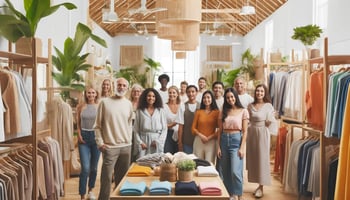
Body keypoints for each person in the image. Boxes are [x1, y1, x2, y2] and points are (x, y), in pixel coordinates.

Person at [94, 77, 134, 200]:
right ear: (114, 86)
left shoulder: (128, 104)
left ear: (127, 88)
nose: (121, 87)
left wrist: (129, 141)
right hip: (110, 147)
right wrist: (100, 143)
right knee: (106, 179)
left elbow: (129, 125)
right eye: (119, 85)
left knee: (122, 180)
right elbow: (97, 125)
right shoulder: (104, 103)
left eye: (123, 85)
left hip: (125, 147)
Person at [246, 84, 277, 198]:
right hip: (252, 134)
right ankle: (257, 185)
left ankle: (261, 187)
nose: (259, 93)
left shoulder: (268, 106)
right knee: (254, 159)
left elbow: (271, 121)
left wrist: (270, 121)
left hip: (263, 133)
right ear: (255, 93)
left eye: (261, 91)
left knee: (262, 159)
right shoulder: (250, 106)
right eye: (258, 91)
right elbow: (247, 120)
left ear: (265, 93)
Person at [217, 88, 249, 200]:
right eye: (227, 97)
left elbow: (245, 132)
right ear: (225, 99)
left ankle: (238, 195)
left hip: (236, 141)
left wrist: (242, 148)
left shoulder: (243, 111)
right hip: (224, 140)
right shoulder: (223, 111)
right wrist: (218, 147)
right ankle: (230, 195)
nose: (230, 99)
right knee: (225, 171)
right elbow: (219, 131)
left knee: (235, 171)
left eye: (232, 96)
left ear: (236, 97)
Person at [76, 86, 100, 200]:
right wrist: (79, 135)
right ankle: (82, 194)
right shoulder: (81, 107)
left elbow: (102, 123)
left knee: (94, 168)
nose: (90, 95)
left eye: (93, 93)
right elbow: (78, 123)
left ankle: (91, 190)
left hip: (96, 138)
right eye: (88, 93)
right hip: (84, 138)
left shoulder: (99, 106)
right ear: (86, 94)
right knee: (85, 168)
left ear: (96, 94)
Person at [134, 88, 167, 158]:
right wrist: (140, 142)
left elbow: (164, 129)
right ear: (145, 97)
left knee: (156, 163)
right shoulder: (140, 111)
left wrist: (158, 142)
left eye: (153, 96)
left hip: (156, 140)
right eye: (149, 96)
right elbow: (136, 129)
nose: (151, 98)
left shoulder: (160, 110)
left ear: (156, 98)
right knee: (142, 164)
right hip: (143, 140)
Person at [192, 90, 219, 164]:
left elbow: (220, 129)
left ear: (212, 99)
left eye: (208, 97)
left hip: (211, 142)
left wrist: (209, 137)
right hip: (199, 141)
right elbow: (193, 128)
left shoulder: (217, 112)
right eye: (204, 98)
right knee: (197, 164)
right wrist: (201, 136)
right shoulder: (198, 112)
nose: (206, 99)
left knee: (209, 164)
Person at [176, 85, 200, 154]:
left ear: (197, 92)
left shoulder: (201, 106)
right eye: (189, 92)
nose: (191, 94)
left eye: (193, 92)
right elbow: (180, 126)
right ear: (186, 93)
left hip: (199, 141)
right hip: (186, 141)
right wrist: (180, 142)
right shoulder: (182, 106)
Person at [163, 86, 181, 154]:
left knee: (178, 157)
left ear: (177, 94)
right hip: (168, 134)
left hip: (180, 134)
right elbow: (162, 125)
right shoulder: (164, 106)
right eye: (170, 93)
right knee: (168, 156)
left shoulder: (181, 105)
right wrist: (173, 124)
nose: (172, 94)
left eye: (174, 92)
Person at [129, 83, 144, 162]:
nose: (136, 93)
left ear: (141, 93)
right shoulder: (128, 103)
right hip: (129, 127)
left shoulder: (143, 104)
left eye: (138, 91)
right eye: (134, 91)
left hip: (140, 128)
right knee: (130, 148)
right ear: (131, 93)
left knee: (138, 148)